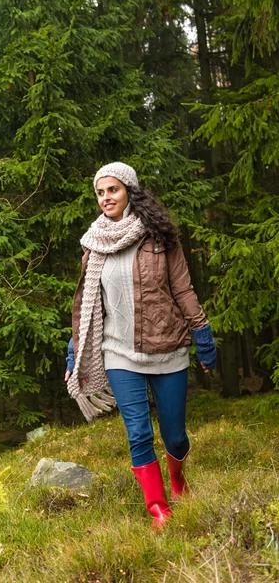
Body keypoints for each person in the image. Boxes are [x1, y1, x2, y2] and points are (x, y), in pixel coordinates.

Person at [64, 162, 216, 528]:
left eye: (112, 190)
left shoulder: (160, 237)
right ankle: (158, 509)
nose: (106, 198)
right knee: (138, 432)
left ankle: (178, 479)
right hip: (118, 353)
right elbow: (86, 305)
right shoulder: (94, 244)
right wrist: (74, 352)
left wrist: (202, 333)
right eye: (100, 193)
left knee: (175, 435)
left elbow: (182, 288)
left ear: (129, 190)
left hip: (168, 348)